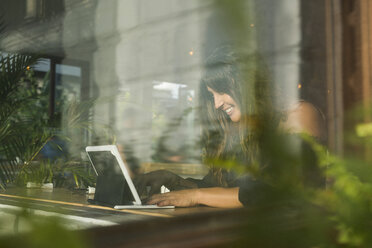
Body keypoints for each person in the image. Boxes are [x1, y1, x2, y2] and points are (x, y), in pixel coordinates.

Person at [137, 49, 325, 208]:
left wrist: (195, 196)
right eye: (212, 95)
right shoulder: (244, 130)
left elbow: (273, 189)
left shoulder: (298, 114)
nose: (217, 103)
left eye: (221, 92)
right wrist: (174, 181)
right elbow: (218, 187)